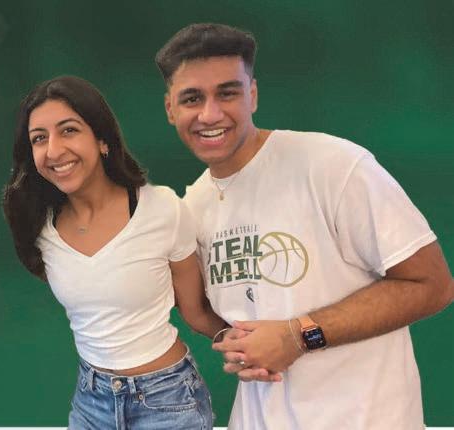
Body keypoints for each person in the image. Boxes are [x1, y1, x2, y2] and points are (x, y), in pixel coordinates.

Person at [155, 23, 454, 430]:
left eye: (228, 93)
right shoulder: (192, 207)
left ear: (252, 95)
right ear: (170, 109)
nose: (210, 114)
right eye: (192, 98)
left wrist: (299, 336)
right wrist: (238, 343)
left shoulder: (333, 166)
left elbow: (432, 284)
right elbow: (227, 312)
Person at [2, 75, 227, 429]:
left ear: (102, 139)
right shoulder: (40, 228)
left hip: (167, 400)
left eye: (69, 130)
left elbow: (195, 311)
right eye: (39, 138)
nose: (54, 150)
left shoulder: (162, 208)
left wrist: (256, 343)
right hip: (91, 402)